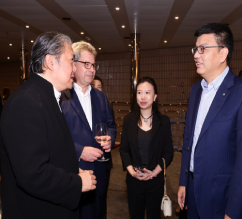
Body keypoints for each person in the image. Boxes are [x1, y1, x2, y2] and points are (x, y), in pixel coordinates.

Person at [0, 32, 97, 219]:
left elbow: (49, 152)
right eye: (71, 60)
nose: (74, 68)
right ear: (50, 62)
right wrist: (76, 182)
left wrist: (72, 169)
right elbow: (32, 174)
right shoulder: (26, 101)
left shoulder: (45, 97)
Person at [177, 23, 242, 219]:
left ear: (223, 53)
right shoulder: (196, 90)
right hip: (193, 191)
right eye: (195, 49)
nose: (196, 55)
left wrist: (234, 211)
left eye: (202, 49)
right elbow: (189, 141)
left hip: (223, 200)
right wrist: (184, 182)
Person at [61, 41, 116, 219]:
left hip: (100, 171)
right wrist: (79, 151)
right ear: (74, 65)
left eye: (93, 65)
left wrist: (109, 138)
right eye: (86, 64)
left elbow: (111, 125)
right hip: (74, 172)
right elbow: (55, 135)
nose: (91, 69)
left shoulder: (101, 97)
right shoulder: (62, 96)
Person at [119, 77, 174, 219]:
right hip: (134, 181)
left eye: (147, 93)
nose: (143, 97)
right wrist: (132, 172)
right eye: (139, 92)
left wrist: (155, 172)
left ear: (155, 97)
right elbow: (124, 149)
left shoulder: (163, 122)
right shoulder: (128, 120)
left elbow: (168, 152)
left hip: (155, 181)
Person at [91, 75, 114, 219]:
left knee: (101, 200)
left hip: (103, 160)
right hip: (85, 161)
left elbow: (111, 126)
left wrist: (110, 138)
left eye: (99, 87)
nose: (96, 89)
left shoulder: (104, 103)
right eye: (94, 86)